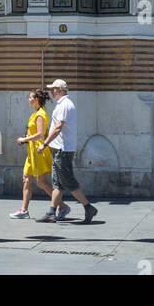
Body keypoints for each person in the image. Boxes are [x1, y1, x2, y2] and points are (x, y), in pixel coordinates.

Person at [36, 78, 97, 224]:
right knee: (57, 183)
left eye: (54, 89)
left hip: (63, 150)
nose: (52, 91)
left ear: (61, 90)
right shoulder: (62, 104)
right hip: (59, 149)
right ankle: (51, 212)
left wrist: (44, 144)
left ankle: (88, 207)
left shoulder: (65, 105)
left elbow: (58, 127)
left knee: (68, 182)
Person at [9, 89, 53, 219]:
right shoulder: (36, 113)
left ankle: (61, 205)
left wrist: (24, 139)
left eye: (30, 97)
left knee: (41, 182)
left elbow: (40, 134)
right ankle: (24, 210)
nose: (28, 99)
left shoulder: (40, 115)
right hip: (32, 152)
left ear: (37, 100)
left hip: (38, 151)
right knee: (26, 179)